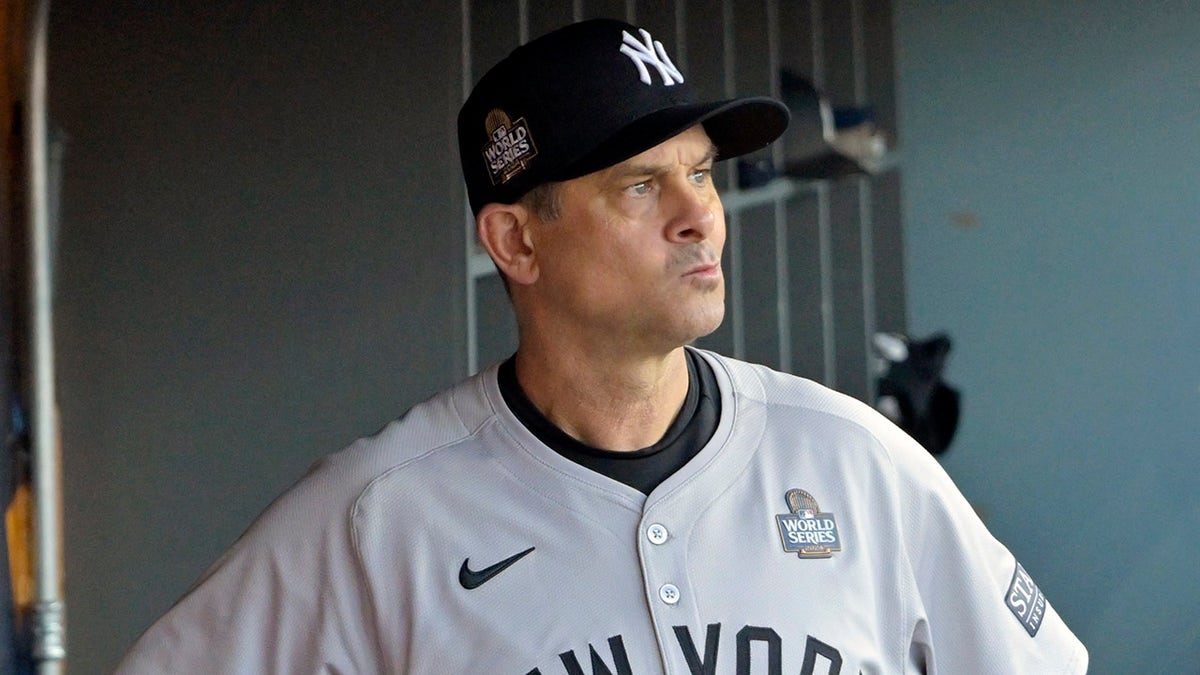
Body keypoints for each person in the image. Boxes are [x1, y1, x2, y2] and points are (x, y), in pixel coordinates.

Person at [117, 18, 1088, 674]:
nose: (698, 217)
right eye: (639, 186)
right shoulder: (378, 520)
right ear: (517, 240)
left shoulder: (856, 462)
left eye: (702, 175)